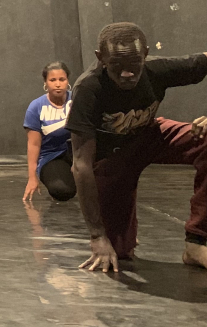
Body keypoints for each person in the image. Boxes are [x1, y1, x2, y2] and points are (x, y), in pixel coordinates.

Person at [67, 22, 207, 272]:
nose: (127, 75)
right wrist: (97, 235)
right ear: (101, 58)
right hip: (113, 159)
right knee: (118, 254)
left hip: (151, 136)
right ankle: (122, 235)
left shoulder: (158, 69)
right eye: (117, 67)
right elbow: (81, 165)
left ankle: (197, 242)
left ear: (145, 54)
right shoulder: (88, 89)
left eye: (135, 66)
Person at [23, 62, 75, 203]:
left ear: (68, 81)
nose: (58, 84)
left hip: (79, 154)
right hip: (52, 157)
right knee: (62, 191)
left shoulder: (78, 100)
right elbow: (33, 145)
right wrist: (32, 177)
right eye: (53, 80)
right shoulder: (36, 107)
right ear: (45, 83)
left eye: (61, 79)